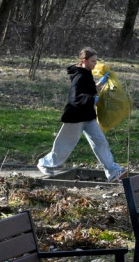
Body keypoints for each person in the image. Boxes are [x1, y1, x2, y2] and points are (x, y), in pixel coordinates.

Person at [37, 47, 127, 182]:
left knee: (100, 142)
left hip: (88, 116)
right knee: (66, 144)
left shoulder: (86, 73)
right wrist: (92, 99)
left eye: (96, 61)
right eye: (92, 61)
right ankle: (45, 163)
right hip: (76, 116)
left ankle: (113, 171)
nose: (95, 64)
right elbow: (76, 98)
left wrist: (99, 85)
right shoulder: (79, 76)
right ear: (84, 61)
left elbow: (88, 91)